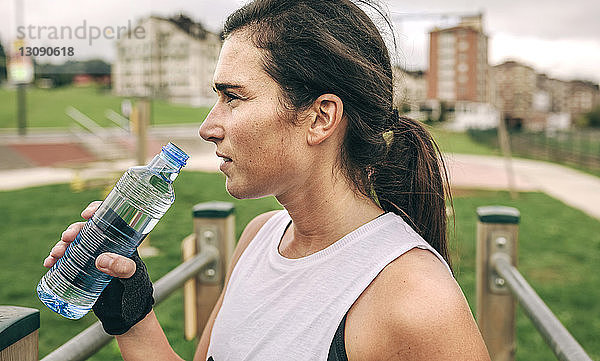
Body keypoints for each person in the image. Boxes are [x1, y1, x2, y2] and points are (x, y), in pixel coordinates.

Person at [43, 0, 492, 359]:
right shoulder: (260, 236)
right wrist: (132, 315)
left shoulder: (414, 301)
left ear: (320, 118)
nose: (208, 126)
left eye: (232, 98)